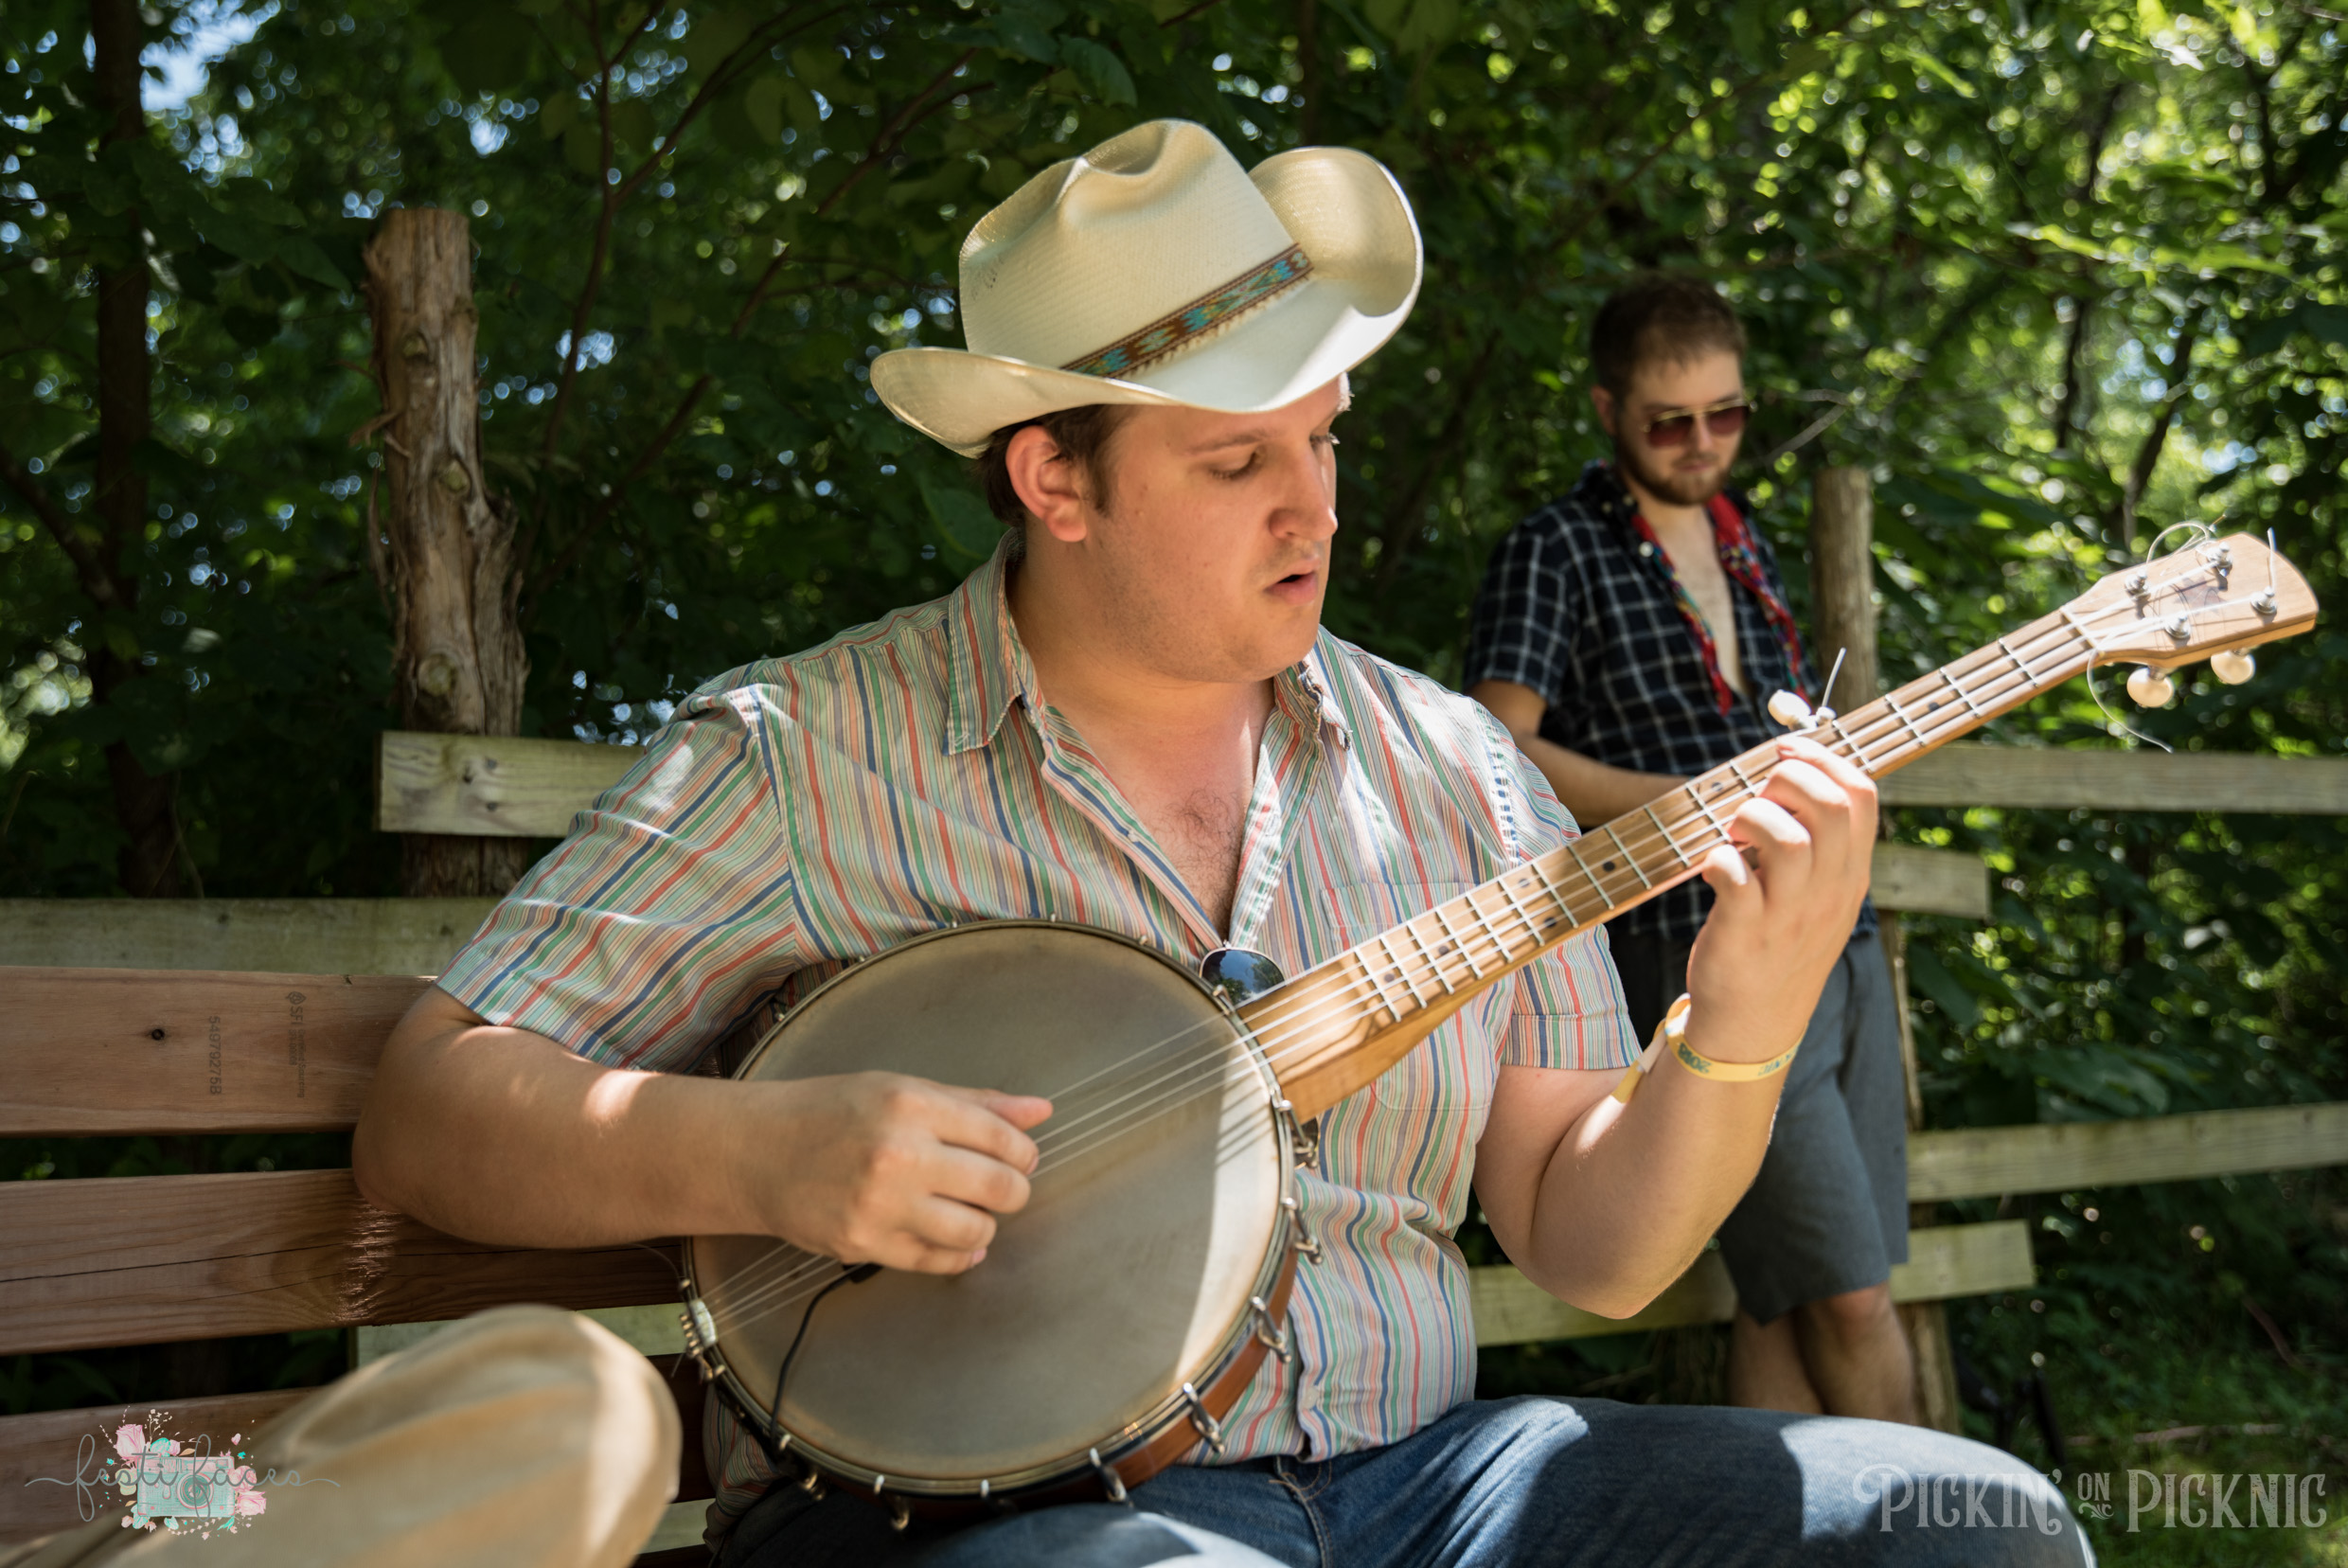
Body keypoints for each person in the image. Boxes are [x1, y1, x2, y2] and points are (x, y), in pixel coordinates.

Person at [9, 122, 2084, 1568]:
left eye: (1324, 438)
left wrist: (1742, 1020)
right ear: (1054, 480)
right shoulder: (811, 753)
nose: (1316, 508)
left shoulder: (1450, 764)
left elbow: (1595, 1239)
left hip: (1442, 1485)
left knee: (1966, 1524)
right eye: (1236, 461)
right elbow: (433, 1108)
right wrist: (760, 1154)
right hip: (992, 1528)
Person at [1463, 276, 1920, 1425]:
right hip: (1693, 947)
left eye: (1725, 414)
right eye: (1669, 422)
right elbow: (1493, 745)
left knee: (1782, 1296)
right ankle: (1934, 1516)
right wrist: (1689, 807)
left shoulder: (1744, 541)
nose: (1702, 442)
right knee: (1852, 1301)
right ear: (1607, 410)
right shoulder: (1554, 549)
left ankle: (1788, 1525)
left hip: (1834, 931)